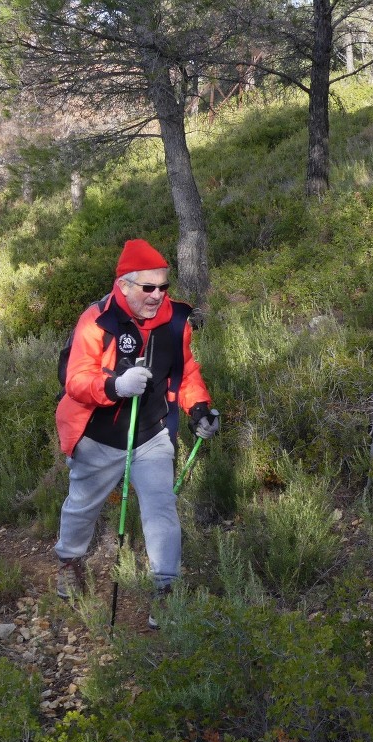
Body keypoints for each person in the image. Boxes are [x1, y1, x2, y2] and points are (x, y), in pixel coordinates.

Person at [53, 239, 219, 629]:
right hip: (99, 434)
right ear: (124, 286)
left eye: (164, 286)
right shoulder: (96, 321)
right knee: (81, 505)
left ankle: (165, 588)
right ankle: (70, 561)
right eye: (148, 288)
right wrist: (114, 387)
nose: (158, 295)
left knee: (161, 507)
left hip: (152, 433)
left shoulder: (177, 321)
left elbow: (187, 371)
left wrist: (197, 409)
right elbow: (76, 378)